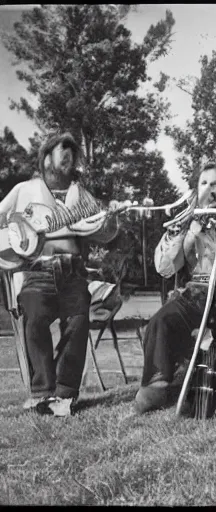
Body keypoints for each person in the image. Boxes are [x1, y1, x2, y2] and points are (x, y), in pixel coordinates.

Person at [0, 132, 121, 417]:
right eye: (61, 149)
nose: (68, 153)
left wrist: (112, 216)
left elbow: (105, 234)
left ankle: (65, 395)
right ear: (45, 159)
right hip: (37, 272)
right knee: (35, 318)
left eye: (71, 151)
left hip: (73, 273)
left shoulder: (84, 196)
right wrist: (14, 239)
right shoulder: (23, 190)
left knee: (77, 324)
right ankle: (42, 393)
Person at [134, 162, 216, 415]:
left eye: (215, 184)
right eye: (204, 183)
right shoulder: (186, 222)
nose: (209, 190)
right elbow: (166, 267)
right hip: (196, 291)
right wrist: (189, 233)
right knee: (162, 319)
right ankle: (156, 384)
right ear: (195, 189)